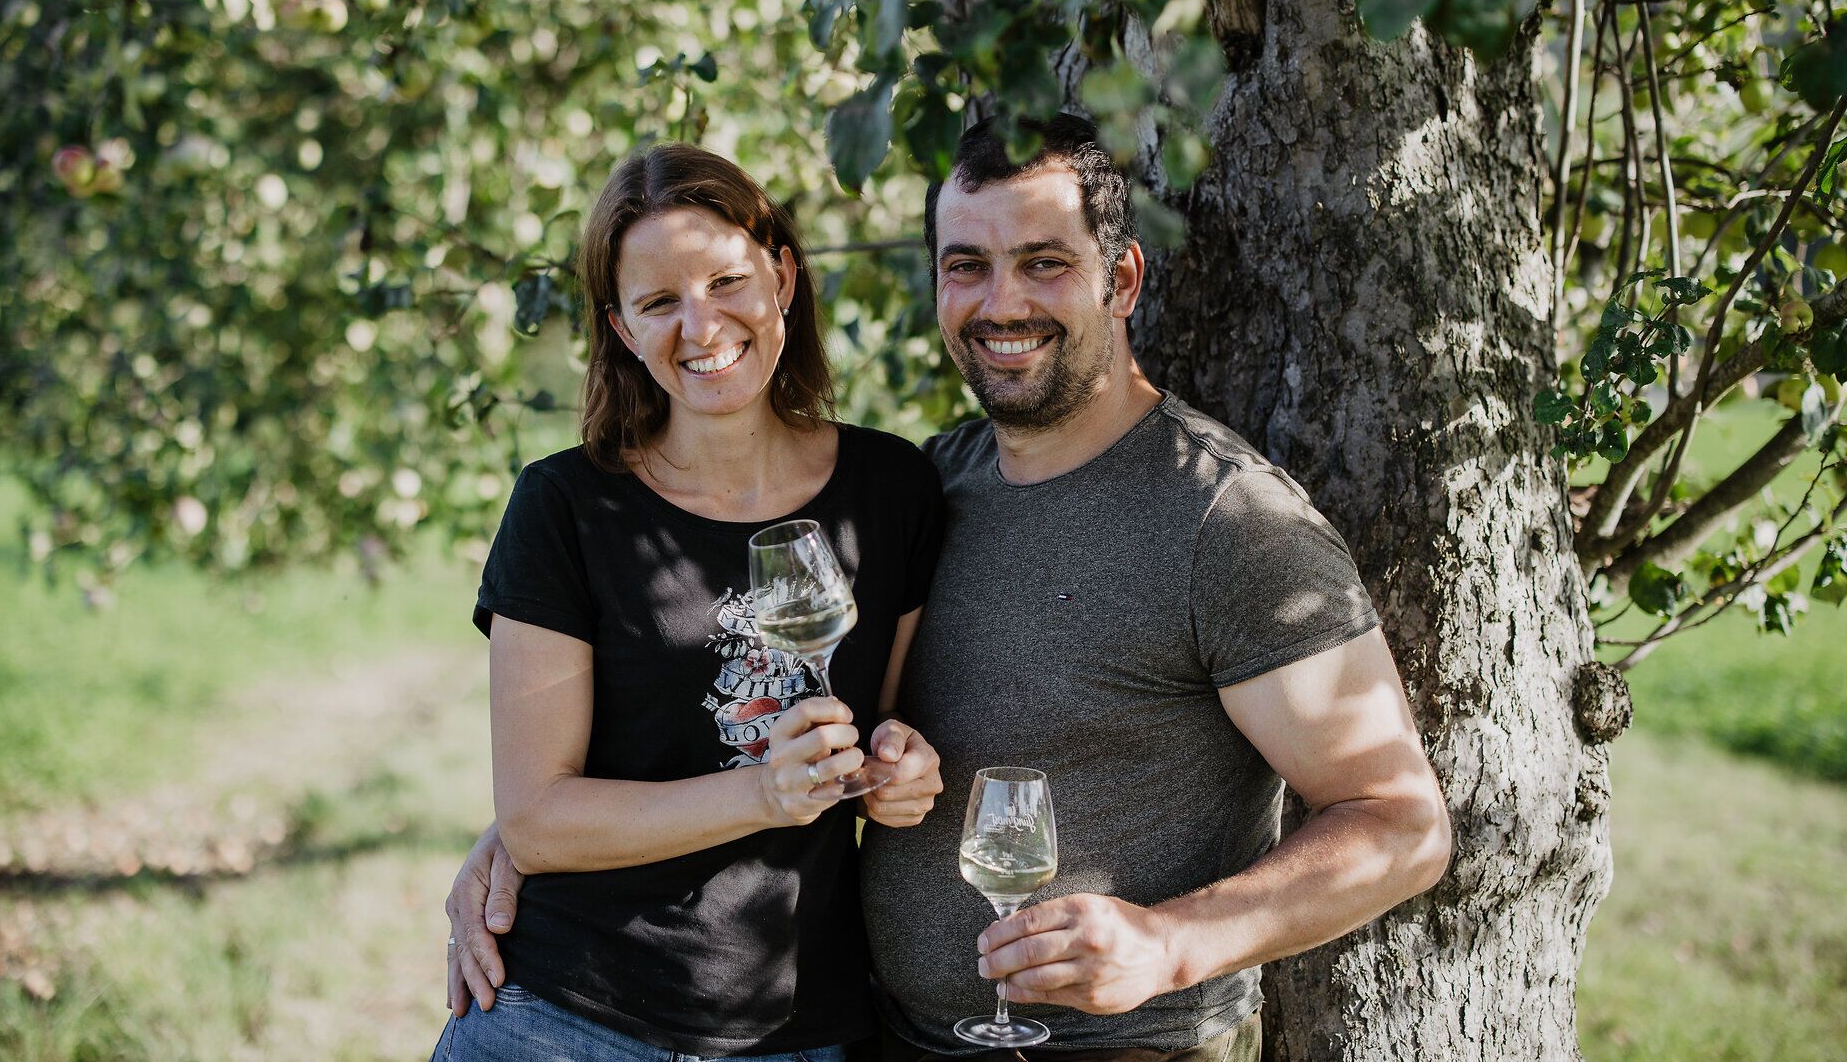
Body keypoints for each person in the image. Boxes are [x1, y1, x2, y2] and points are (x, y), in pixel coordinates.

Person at [447, 115, 1452, 1061]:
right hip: (869, 1035)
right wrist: (523, 835)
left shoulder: (1224, 521)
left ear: (1124, 278)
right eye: (967, 265)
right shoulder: (935, 483)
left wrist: (1172, 945)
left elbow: (1402, 823)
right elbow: (801, 717)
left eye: (1045, 264)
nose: (1001, 302)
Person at [432, 142, 949, 1062]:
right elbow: (538, 821)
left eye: (726, 280)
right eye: (660, 300)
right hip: (566, 1016)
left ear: (782, 276)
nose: (700, 323)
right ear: (623, 328)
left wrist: (894, 767)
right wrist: (760, 792)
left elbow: (880, 729)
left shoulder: (892, 488)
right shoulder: (566, 507)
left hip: (800, 1029)